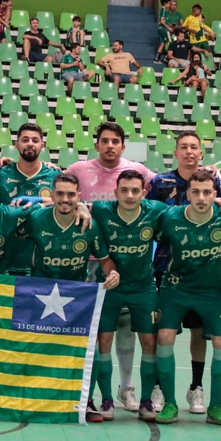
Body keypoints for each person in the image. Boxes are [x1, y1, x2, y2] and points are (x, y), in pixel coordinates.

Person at [69, 121, 156, 413]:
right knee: (91, 329)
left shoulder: (138, 170)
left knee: (126, 326)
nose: (109, 145)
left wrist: (213, 178)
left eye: (115, 141)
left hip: (122, 265)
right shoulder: (78, 169)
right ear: (96, 144)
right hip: (86, 262)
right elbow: (59, 192)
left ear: (123, 145)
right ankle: (84, 390)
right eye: (104, 140)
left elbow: (172, 183)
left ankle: (126, 387)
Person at [147, 133, 221, 419]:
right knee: (164, 332)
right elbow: (146, 213)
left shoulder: (212, 181)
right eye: (184, 147)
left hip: (204, 275)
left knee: (198, 332)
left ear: (201, 153)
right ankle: (160, 387)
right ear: (176, 152)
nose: (189, 151)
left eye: (194, 147)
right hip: (168, 270)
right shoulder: (160, 182)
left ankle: (196, 386)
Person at [23, 172, 110, 420]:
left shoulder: (89, 225)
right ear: (51, 196)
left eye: (71, 195)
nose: (65, 199)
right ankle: (33, 397)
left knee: (88, 350)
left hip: (76, 298)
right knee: (35, 348)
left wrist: (112, 273)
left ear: (79, 196)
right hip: (40, 294)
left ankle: (86, 401)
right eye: (60, 194)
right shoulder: (36, 219)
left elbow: (105, 261)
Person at [91, 170, 166, 422]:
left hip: (144, 288)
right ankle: (107, 400)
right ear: (116, 193)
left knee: (149, 344)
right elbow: (72, 203)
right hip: (110, 287)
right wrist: (80, 209)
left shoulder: (155, 210)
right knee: (103, 342)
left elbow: (187, 211)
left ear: (144, 193)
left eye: (135, 191)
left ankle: (146, 401)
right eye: (124, 190)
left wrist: (219, 200)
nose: (130, 195)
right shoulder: (101, 210)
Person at [0, 123, 60, 275]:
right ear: (16, 144)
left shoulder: (54, 176)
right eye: (25, 140)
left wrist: (42, 201)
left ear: (42, 145)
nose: (30, 144)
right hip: (5, 258)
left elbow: (67, 204)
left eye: (35, 140)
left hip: (42, 260)